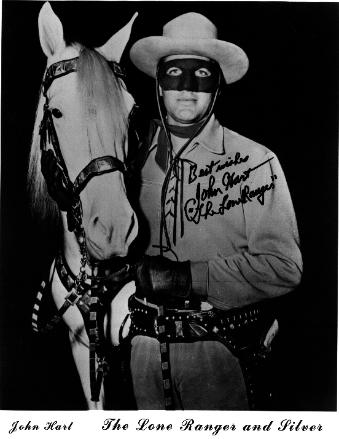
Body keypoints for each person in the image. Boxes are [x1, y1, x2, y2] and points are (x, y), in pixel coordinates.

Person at [125, 12, 302, 410]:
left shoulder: (254, 162)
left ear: (218, 84)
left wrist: (190, 278)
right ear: (158, 82)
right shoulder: (130, 160)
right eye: (174, 72)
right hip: (142, 354)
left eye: (201, 75)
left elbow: (284, 268)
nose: (187, 89)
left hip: (220, 355)